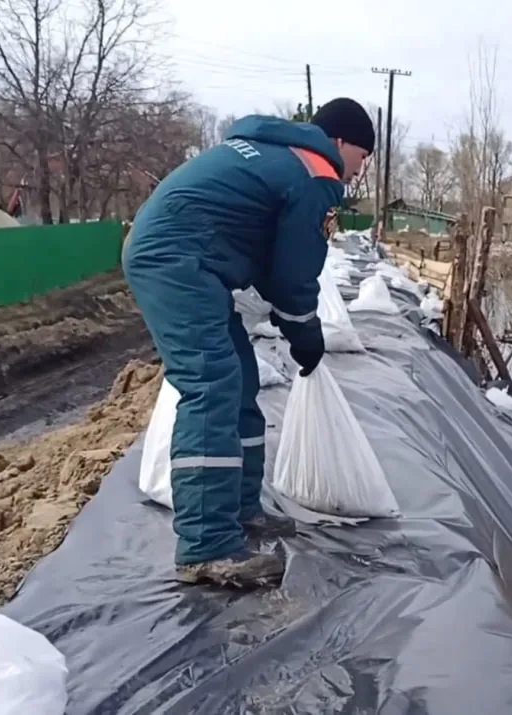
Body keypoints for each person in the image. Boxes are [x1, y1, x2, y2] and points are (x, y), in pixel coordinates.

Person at [123, 98, 375, 589]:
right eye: (362, 158)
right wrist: (305, 334)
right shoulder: (315, 173)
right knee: (211, 385)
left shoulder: (273, 154)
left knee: (239, 378)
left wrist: (293, 321)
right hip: (177, 260)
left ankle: (239, 510)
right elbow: (293, 275)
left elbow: (271, 258)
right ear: (341, 143)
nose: (358, 172)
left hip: (187, 256)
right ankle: (206, 546)